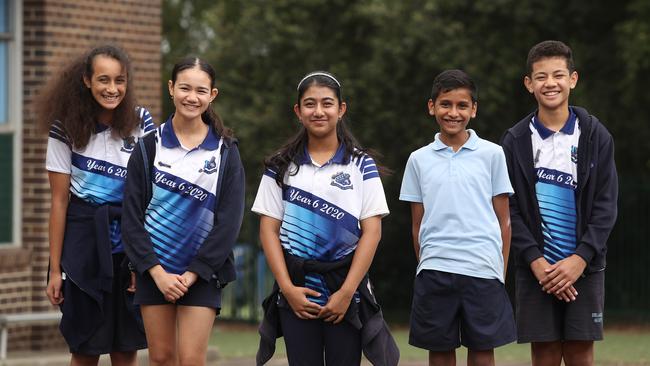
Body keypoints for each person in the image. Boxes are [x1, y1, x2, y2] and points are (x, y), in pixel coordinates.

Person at [252, 71, 399, 366]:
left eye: (327, 103)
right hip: (296, 291)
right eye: (309, 104)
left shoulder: (361, 164)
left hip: (346, 293)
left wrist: (346, 293)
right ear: (298, 111)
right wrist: (288, 289)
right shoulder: (279, 165)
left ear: (341, 109)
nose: (318, 111)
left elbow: (372, 232)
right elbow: (268, 231)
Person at [500, 40, 618, 366]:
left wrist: (580, 259)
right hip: (536, 269)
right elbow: (509, 209)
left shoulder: (595, 136)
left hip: (585, 267)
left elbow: (606, 207)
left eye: (558, 75)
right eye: (540, 77)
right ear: (529, 84)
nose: (550, 83)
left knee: (580, 352)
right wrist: (537, 262)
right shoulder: (514, 140)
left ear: (573, 79)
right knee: (545, 353)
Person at [121, 56, 245, 366]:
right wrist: (156, 272)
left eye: (201, 90)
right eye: (185, 88)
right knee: (161, 358)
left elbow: (229, 223)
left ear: (212, 95)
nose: (192, 97)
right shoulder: (149, 146)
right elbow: (132, 218)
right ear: (171, 88)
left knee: (191, 359)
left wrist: (192, 274)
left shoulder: (226, 150)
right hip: (155, 271)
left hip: (202, 273)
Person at [42, 44, 154, 366]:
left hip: (128, 239)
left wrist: (142, 261)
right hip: (83, 243)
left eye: (120, 80)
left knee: (125, 348)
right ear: (87, 81)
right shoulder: (64, 127)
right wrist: (55, 269)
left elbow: (147, 197)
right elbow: (60, 201)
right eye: (103, 80)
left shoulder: (141, 120)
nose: (112, 89)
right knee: (85, 348)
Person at [399, 69, 516, 366]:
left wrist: (498, 273)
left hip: (483, 270)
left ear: (473, 110)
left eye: (462, 105)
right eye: (445, 104)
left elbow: (504, 221)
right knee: (439, 351)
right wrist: (428, 261)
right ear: (431, 107)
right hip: (435, 270)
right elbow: (417, 225)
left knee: (482, 350)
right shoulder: (418, 159)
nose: (453, 112)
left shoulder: (493, 154)